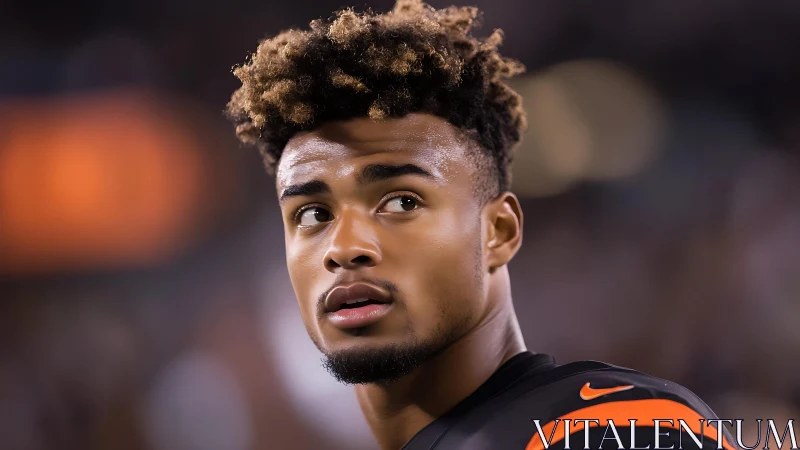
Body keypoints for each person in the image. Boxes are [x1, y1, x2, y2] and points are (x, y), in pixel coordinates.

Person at [227, 1, 737, 449]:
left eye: (401, 202)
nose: (345, 247)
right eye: (314, 214)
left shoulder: (611, 428)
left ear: (499, 231)